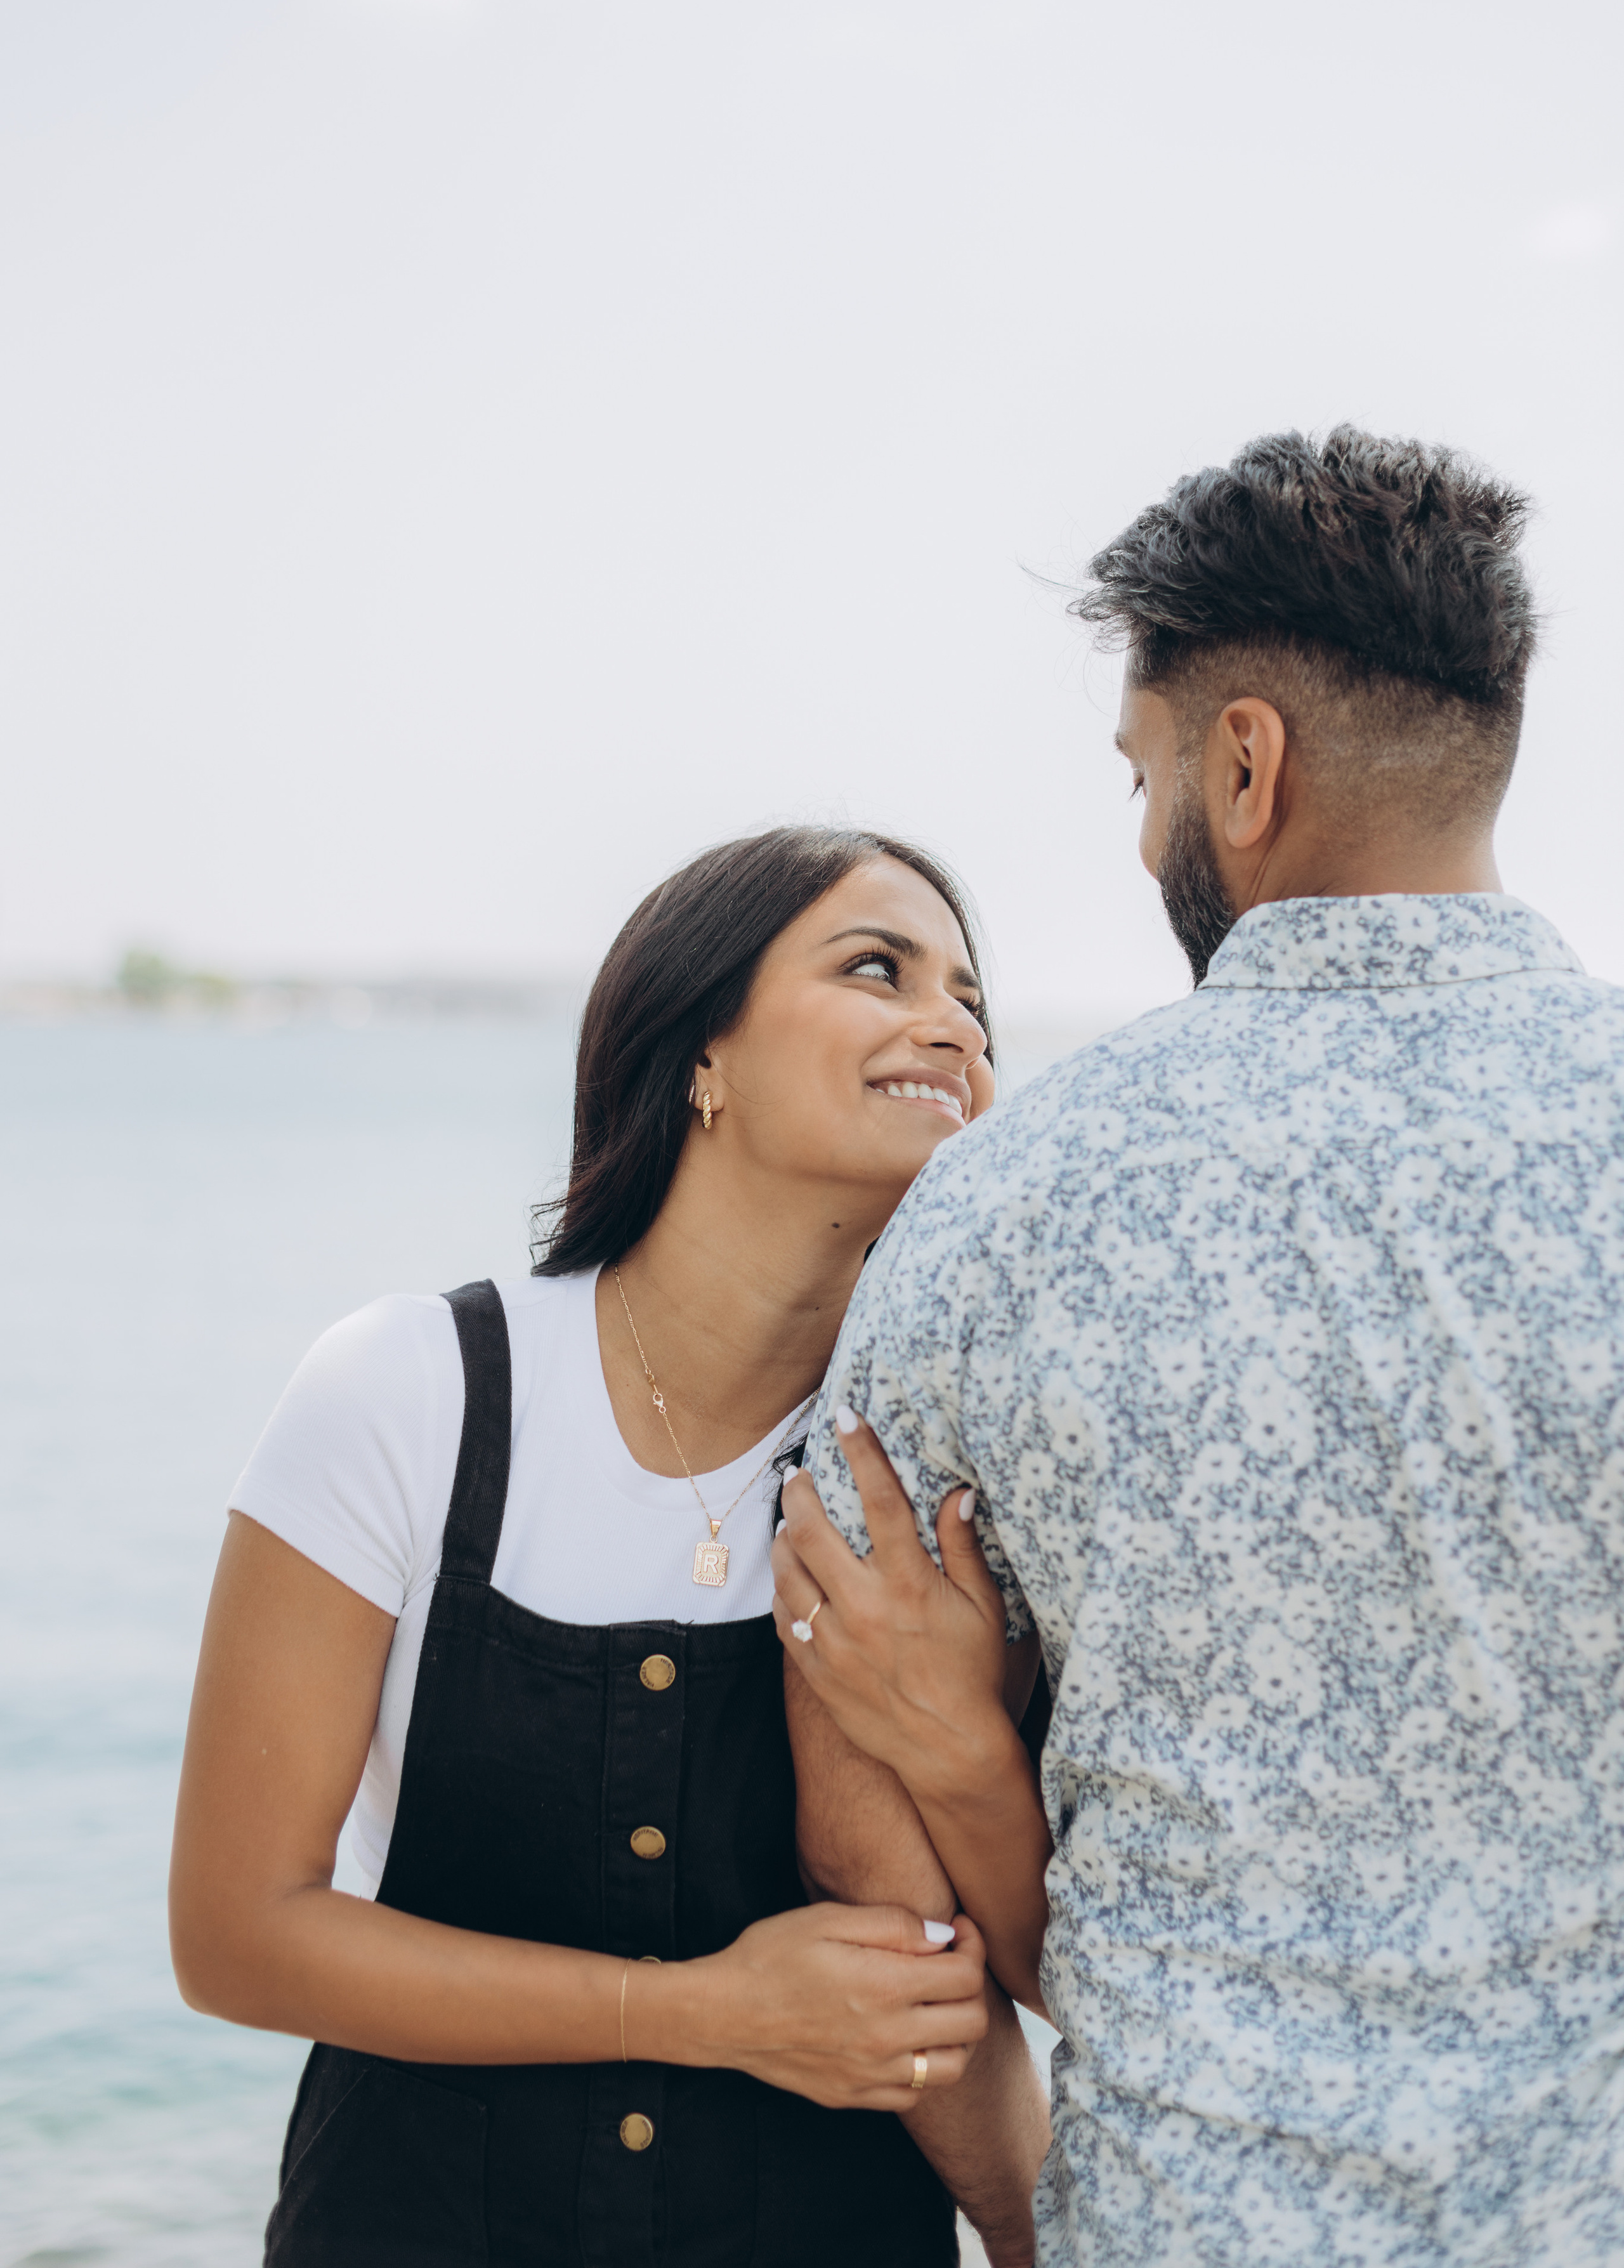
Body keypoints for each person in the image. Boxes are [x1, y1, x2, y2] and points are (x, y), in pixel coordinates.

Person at [771, 428, 1624, 2267]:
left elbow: (864, 1836)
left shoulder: (1002, 1209)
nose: (1145, 825)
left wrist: (1033, 2216)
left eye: (1145, 769)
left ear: (1246, 765)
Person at [168, 824, 1051, 2268]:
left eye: (972, 1002)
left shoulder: (955, 1483)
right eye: (877, 967)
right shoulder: (408, 1394)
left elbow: (1037, 1972)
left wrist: (958, 1736)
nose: (947, 1023)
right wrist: (708, 2010)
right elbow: (237, 1934)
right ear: (699, 1050)